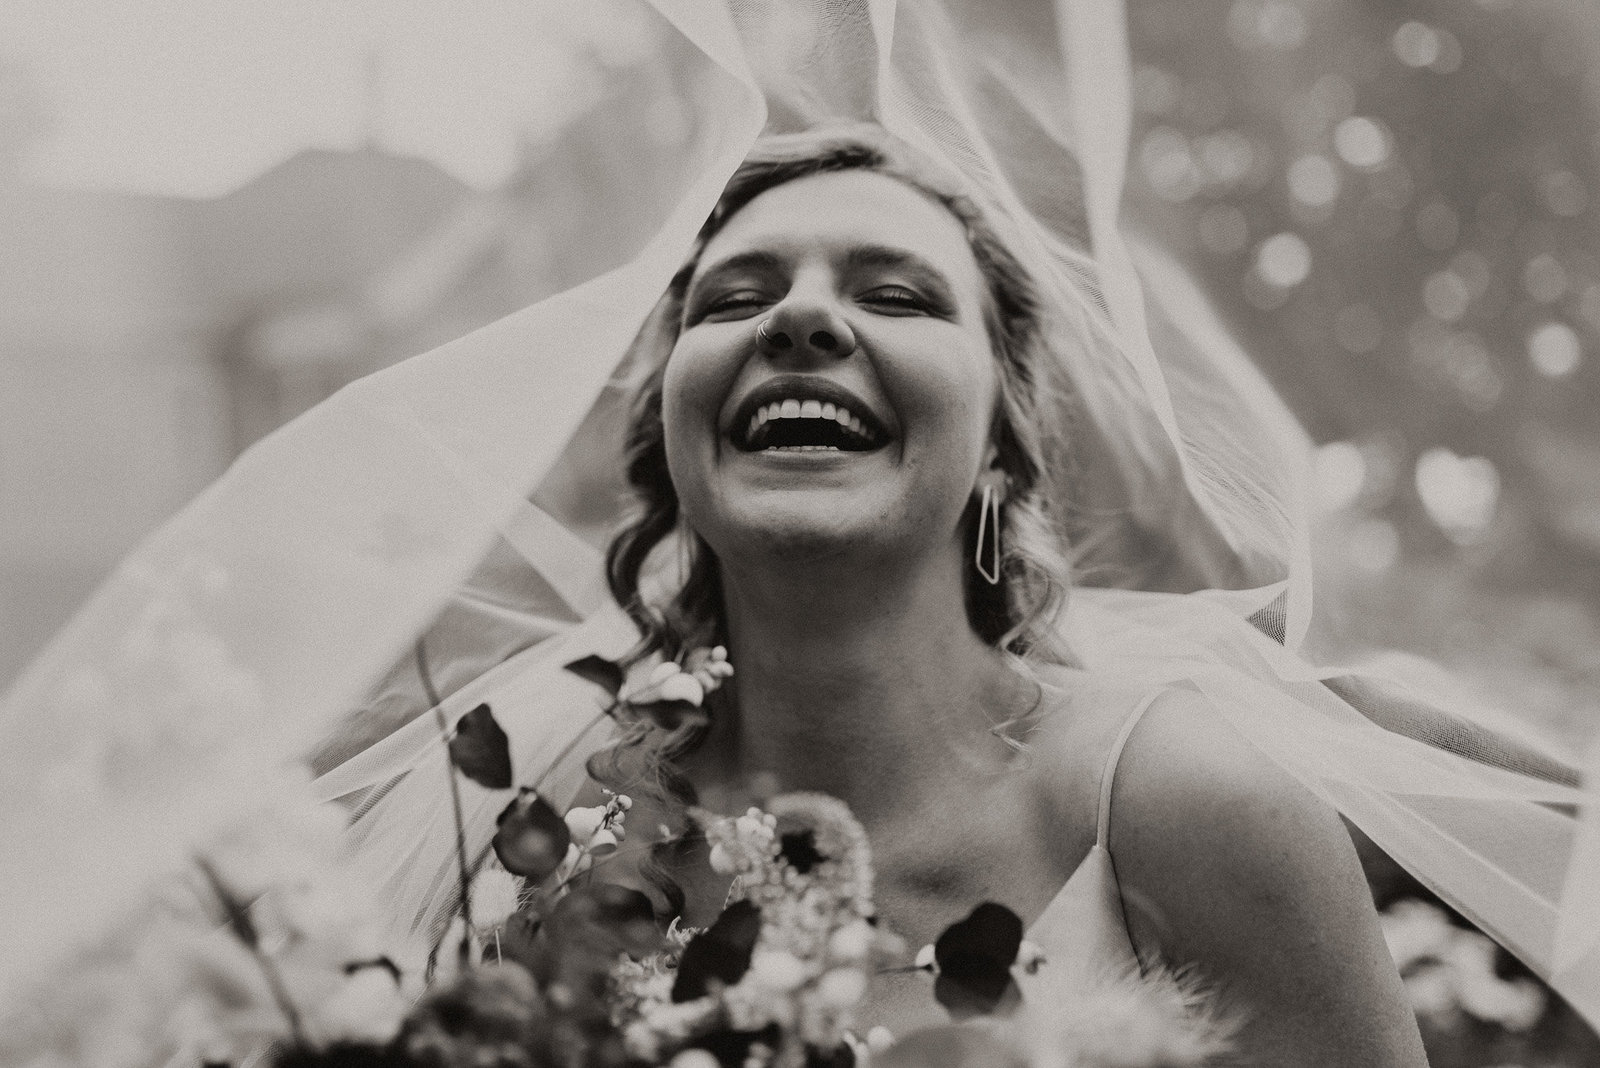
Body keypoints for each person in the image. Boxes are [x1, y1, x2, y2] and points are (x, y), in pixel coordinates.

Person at [576, 128, 1428, 1064]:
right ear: (671, 431)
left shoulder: (1192, 806)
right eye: (736, 298)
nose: (798, 320)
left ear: (997, 446)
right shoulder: (563, 822)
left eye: (897, 295)